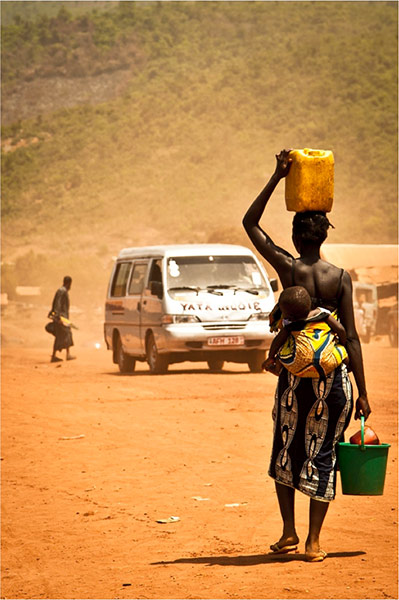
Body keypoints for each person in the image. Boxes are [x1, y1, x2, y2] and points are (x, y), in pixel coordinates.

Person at [243, 149, 371, 563]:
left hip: (294, 380)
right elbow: (351, 338)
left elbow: (250, 224)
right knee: (324, 455)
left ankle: (288, 534)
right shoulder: (340, 278)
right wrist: (363, 392)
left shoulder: (289, 268)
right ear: (324, 237)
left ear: (298, 238)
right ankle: (315, 542)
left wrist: (278, 176)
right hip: (334, 384)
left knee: (286, 450)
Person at [263, 285, 349, 379]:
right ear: (310, 303)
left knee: (283, 348)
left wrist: (270, 357)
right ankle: (348, 366)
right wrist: (342, 343)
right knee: (342, 351)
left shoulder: (289, 325)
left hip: (296, 365)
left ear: (288, 315)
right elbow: (340, 330)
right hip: (327, 363)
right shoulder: (322, 314)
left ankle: (277, 369)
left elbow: (277, 341)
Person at [48, 276, 76, 363]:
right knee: (63, 335)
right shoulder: (62, 291)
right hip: (61, 318)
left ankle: (66, 354)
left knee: (66, 334)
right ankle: (55, 356)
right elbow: (57, 304)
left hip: (64, 318)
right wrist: (58, 317)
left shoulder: (63, 291)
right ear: (69, 283)